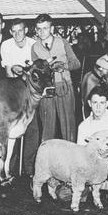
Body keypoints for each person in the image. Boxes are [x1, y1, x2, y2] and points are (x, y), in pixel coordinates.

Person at [55, 85, 108, 208]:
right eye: (95, 102)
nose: (98, 107)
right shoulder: (84, 126)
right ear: (89, 103)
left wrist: (107, 152)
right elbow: (81, 155)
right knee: (63, 195)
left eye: (102, 102)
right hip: (91, 169)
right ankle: (87, 187)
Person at [31, 13, 81, 142]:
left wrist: (63, 66)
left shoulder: (62, 42)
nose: (42, 32)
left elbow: (76, 63)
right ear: (36, 30)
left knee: (68, 126)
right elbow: (35, 72)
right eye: (39, 29)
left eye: (45, 28)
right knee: (47, 127)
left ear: (51, 29)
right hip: (46, 90)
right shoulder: (34, 47)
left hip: (64, 86)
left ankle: (71, 157)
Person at [0, 18, 39, 179]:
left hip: (32, 91)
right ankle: (10, 167)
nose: (17, 34)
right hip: (14, 90)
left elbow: (38, 70)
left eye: (20, 30)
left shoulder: (34, 44)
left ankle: (29, 168)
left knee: (33, 129)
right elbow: (9, 72)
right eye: (14, 31)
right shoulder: (6, 45)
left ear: (26, 30)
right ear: (10, 32)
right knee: (11, 129)